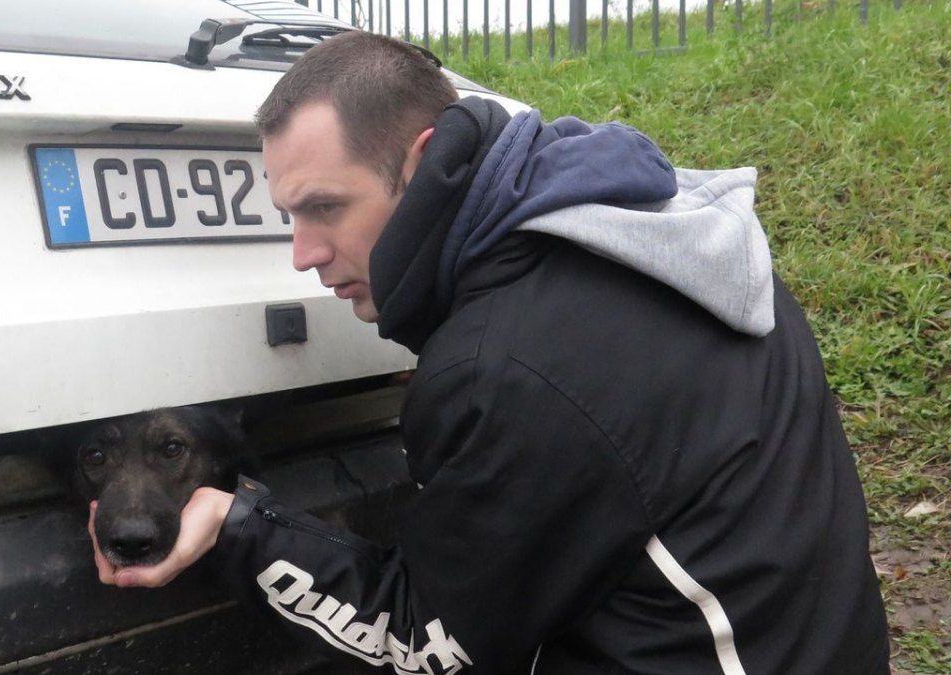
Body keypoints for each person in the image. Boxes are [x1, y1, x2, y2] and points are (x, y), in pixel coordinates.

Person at [89, 31, 890, 675]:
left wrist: (239, 527)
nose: (304, 253)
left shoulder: (509, 368)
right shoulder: (652, 226)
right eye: (290, 216)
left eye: (325, 208)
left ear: (421, 159)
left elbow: (429, 642)